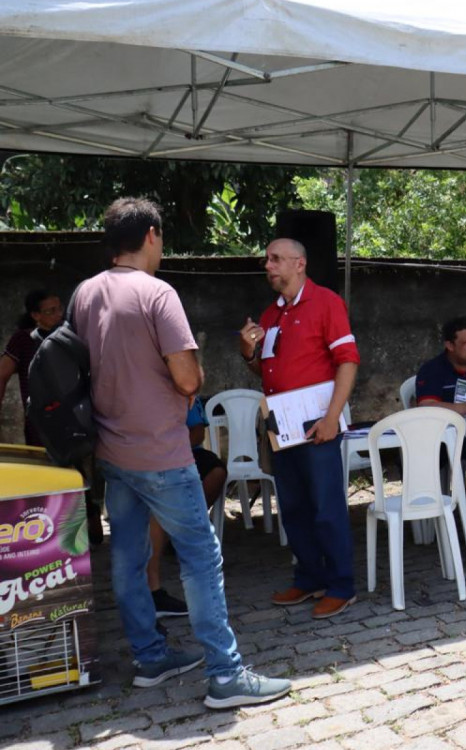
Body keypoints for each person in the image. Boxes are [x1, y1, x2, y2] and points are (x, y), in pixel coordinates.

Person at [73, 197, 290, 708]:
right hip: (162, 453)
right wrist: (194, 376)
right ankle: (226, 674)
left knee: (127, 558)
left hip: (111, 449)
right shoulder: (158, 293)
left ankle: (150, 659)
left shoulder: (84, 293)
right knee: (200, 558)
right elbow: (188, 377)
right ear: (151, 235)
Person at [239, 238, 359, 619]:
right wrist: (248, 352)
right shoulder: (270, 314)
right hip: (282, 423)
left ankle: (341, 585)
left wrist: (331, 417)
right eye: (267, 259)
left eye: (276, 259)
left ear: (299, 263)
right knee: (293, 507)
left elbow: (348, 362)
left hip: (317, 419)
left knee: (326, 506)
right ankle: (308, 577)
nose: (268, 265)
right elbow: (267, 369)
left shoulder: (326, 303)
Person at [146, 396, 228, 618]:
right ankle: (152, 590)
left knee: (216, 470)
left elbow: (198, 432)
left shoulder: (182, 388)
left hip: (183, 451)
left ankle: (185, 524)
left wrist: (174, 448)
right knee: (159, 497)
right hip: (145, 457)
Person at [1, 289, 64, 445]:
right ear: (36, 315)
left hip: (69, 414)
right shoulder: (24, 339)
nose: (58, 315)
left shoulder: (68, 336)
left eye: (59, 309)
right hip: (39, 419)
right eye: (51, 311)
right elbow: (2, 374)